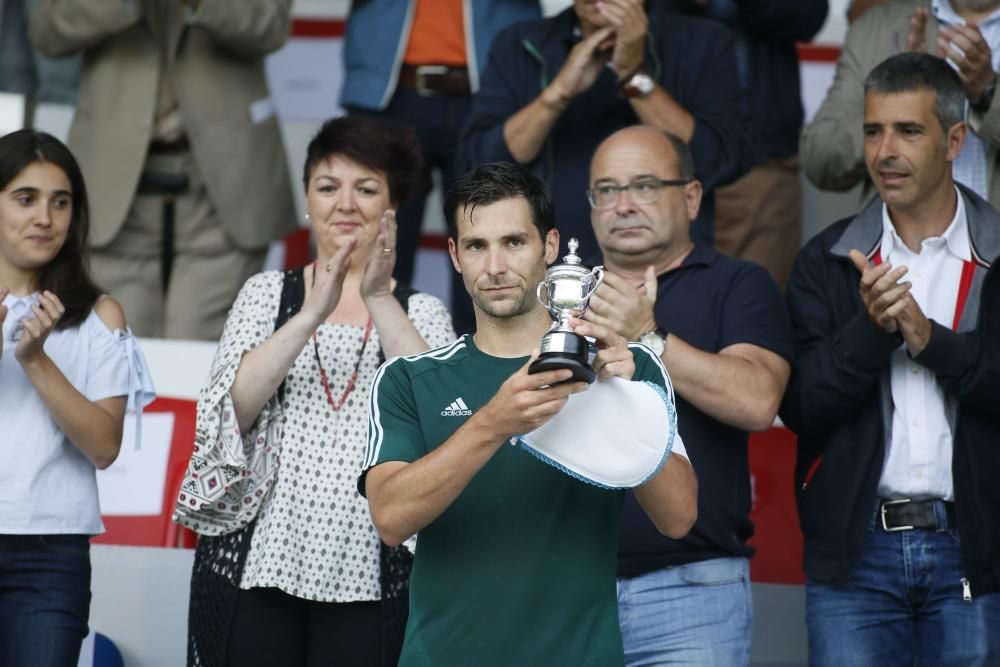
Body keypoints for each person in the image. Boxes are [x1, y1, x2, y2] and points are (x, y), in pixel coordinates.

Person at [360, 162, 699, 666]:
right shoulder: (409, 378)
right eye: (476, 246)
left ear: (551, 247)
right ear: (454, 254)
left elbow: (679, 517)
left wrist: (618, 402)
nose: (495, 266)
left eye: (514, 242)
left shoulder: (624, 363)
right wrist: (494, 421)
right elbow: (390, 518)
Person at [173, 116, 455, 667]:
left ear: (392, 207)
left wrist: (377, 298)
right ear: (307, 200)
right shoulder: (265, 294)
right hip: (258, 563)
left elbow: (441, 420)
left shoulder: (420, 310)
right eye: (328, 187)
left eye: (366, 188)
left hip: (373, 573)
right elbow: (229, 412)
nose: (345, 203)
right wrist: (309, 316)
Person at [782, 52, 1000, 665]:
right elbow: (799, 405)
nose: (884, 151)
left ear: (956, 139)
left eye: (908, 130)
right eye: (873, 131)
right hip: (856, 553)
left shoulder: (996, 253)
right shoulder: (825, 260)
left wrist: (932, 344)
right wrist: (871, 332)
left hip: (974, 552)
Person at [582, 125, 793, 665]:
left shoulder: (737, 284)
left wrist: (646, 338)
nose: (624, 205)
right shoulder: (560, 296)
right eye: (606, 190)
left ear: (692, 197)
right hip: (569, 591)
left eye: (645, 186)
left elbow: (757, 401)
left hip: (692, 592)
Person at [456, 0, 749, 333]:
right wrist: (558, 93)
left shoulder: (703, 40)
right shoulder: (520, 42)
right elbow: (478, 166)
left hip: (669, 277)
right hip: (547, 273)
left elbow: (716, 161)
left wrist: (633, 75)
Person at [28, 0, 297, 340]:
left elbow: (270, 26)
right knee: (120, 352)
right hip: (112, 180)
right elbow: (48, 33)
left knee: (199, 355)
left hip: (224, 182)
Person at [0, 129, 154, 667]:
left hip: (49, 554)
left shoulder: (99, 315)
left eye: (60, 202)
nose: (45, 217)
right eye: (26, 198)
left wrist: (36, 360)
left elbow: (104, 446)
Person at [341, 0, 541, 291]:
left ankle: (485, 338)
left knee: (490, 240)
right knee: (378, 246)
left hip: (492, 90)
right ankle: (372, 336)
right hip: (388, 95)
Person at [664, 0, 828, 290]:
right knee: (664, 307)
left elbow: (809, 15)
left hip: (759, 164)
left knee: (756, 306)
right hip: (661, 158)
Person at [803, 0, 1000, 210]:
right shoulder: (878, 28)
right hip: (898, 240)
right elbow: (822, 162)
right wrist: (897, 97)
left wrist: (989, 92)